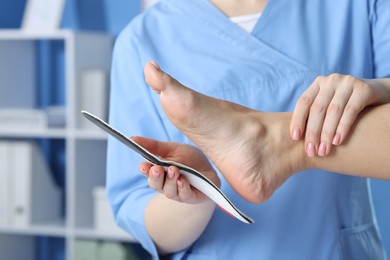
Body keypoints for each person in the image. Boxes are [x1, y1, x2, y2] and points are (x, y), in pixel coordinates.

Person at [107, 0, 390, 259]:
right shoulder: (141, 40)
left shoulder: (358, 5)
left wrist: (380, 89)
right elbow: (141, 214)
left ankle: (271, 142)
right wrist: (199, 190)